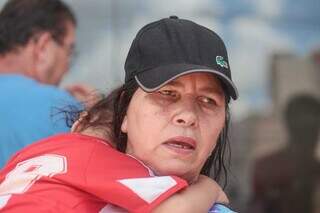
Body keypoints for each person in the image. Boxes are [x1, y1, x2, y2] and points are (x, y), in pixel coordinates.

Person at [0, 16, 239, 212]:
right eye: (166, 93)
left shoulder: (25, 159)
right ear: (124, 112)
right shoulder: (113, 170)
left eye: (208, 101)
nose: (187, 116)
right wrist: (208, 188)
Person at [0, 0, 87, 167]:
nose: (67, 65)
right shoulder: (59, 106)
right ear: (43, 47)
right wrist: (100, 116)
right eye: (69, 51)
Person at [249, 94, 320, 213]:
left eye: (312, 126)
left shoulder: (266, 166)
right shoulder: (266, 167)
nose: (309, 134)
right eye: (303, 127)